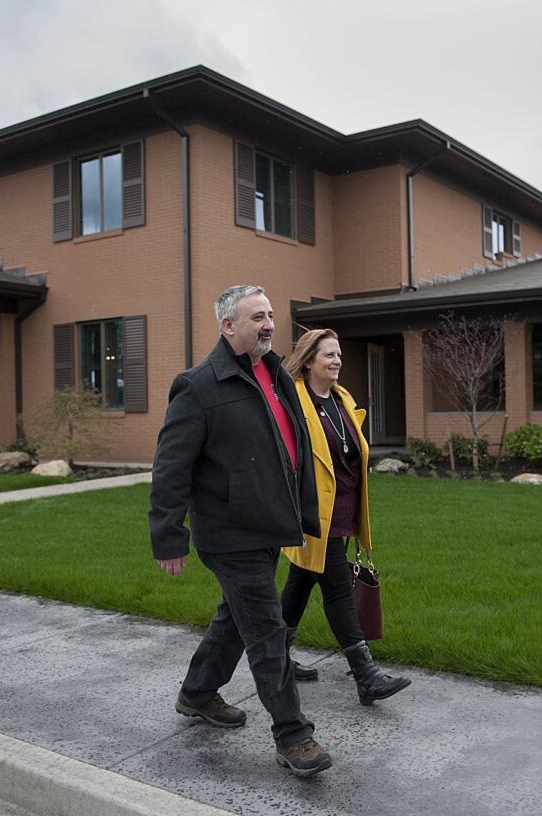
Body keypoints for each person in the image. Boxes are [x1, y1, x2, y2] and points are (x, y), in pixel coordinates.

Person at [148, 284, 331, 778]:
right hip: (228, 533)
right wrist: (168, 535)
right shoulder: (199, 384)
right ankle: (293, 735)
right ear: (228, 325)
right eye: (256, 317)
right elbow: (170, 467)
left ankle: (198, 692)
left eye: (270, 315)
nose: (268, 324)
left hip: (268, 523)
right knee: (267, 630)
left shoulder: (276, 375)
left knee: (236, 617)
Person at [280, 329, 411, 705]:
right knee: (337, 590)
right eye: (328, 356)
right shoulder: (296, 404)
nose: (337, 361)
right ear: (309, 361)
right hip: (313, 513)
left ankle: (279, 657)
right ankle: (366, 675)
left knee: (301, 582)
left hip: (344, 508)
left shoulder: (342, 399)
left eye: (339, 355)